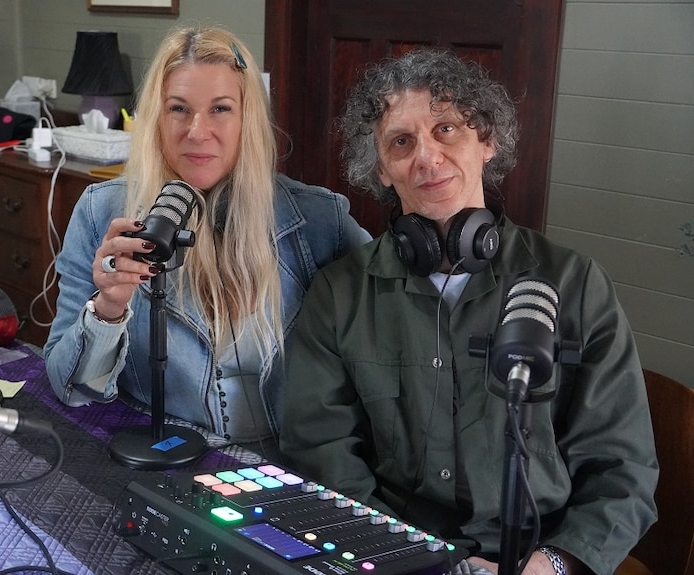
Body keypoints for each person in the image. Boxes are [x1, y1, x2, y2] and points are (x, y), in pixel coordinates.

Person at [279, 49, 658, 575]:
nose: (427, 158)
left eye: (447, 128)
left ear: (487, 141)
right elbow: (321, 453)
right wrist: (408, 557)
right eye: (401, 142)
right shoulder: (340, 293)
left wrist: (552, 563)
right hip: (393, 555)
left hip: (539, 557)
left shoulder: (576, 283)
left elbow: (623, 469)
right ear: (383, 170)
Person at [44, 26, 370, 453]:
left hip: (294, 466)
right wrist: (108, 308)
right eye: (178, 108)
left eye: (220, 109)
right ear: (156, 118)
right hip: (173, 455)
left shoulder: (320, 219)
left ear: (247, 118)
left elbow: (394, 329)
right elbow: (71, 388)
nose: (197, 131)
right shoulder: (101, 212)